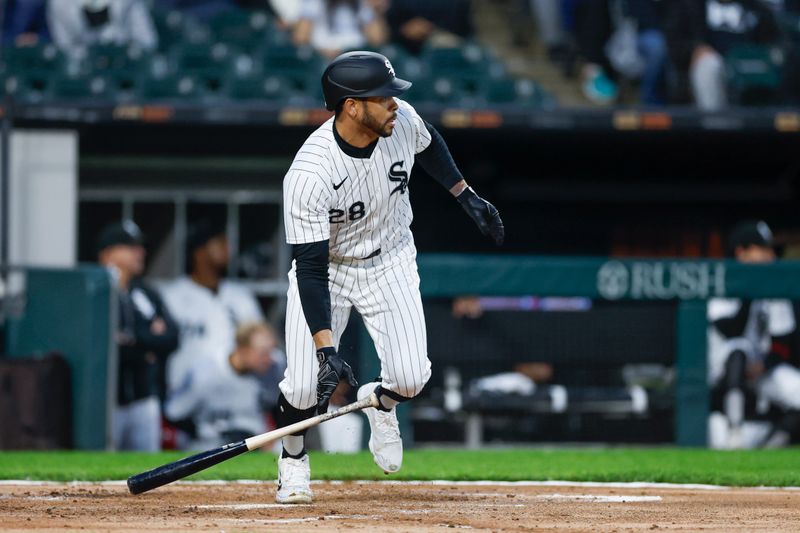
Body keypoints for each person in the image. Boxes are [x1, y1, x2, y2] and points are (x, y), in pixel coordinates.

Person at [275, 50, 504, 503]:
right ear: (352, 106)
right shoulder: (309, 174)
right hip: (330, 271)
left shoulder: (400, 122)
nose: (394, 104)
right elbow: (312, 268)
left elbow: (430, 142)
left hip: (390, 260)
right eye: (383, 97)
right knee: (303, 385)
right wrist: (326, 349)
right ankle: (293, 460)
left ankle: (380, 403)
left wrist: (465, 195)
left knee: (411, 378)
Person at [707, 220, 800, 448]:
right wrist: (750, 288)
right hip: (722, 369)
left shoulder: (773, 286)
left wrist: (765, 365)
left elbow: (782, 340)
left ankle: (771, 449)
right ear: (742, 252)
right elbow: (731, 330)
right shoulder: (722, 280)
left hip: (760, 368)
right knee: (738, 348)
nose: (770, 256)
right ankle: (734, 428)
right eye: (763, 249)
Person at [97, 221, 179, 451]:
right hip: (106, 401)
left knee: (147, 469)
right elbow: (105, 344)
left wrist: (133, 340)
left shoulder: (144, 293)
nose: (140, 253)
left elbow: (172, 337)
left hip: (144, 398)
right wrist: (146, 345)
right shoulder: (95, 291)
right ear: (109, 252)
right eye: (130, 247)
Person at [160, 221, 264, 397]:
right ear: (199, 252)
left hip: (237, 393)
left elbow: (261, 342)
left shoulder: (240, 295)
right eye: (219, 242)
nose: (228, 248)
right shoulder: (171, 296)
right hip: (186, 397)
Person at [165, 322, 283, 449]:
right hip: (211, 444)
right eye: (263, 353)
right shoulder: (205, 373)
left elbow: (277, 408)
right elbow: (173, 413)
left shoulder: (273, 369)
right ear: (242, 350)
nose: (269, 359)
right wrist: (204, 431)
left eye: (271, 351)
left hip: (257, 442)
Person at [664, 0, 779, 110]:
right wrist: (694, 49)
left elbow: (772, 42)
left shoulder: (755, 9)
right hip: (710, 64)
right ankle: (715, 123)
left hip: (746, 68)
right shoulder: (691, 6)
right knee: (709, 65)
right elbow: (675, 43)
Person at [47, 0, 158, 59]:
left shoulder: (128, 2)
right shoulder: (59, 3)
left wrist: (123, 53)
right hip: (84, 71)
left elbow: (148, 41)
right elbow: (63, 48)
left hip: (125, 66)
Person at [292, 0, 388, 59]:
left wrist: (374, 10)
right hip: (323, 57)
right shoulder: (314, 2)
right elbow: (300, 38)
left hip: (358, 56)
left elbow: (377, 39)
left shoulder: (361, 2)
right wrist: (319, 52)